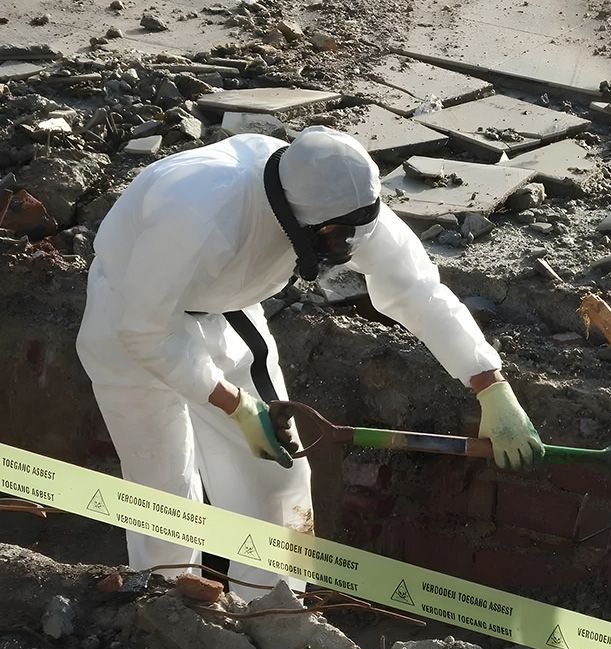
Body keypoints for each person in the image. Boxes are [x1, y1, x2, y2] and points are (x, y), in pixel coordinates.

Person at [76, 126, 544, 601]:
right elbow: (145, 330)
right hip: (130, 313)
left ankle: (274, 611)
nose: (341, 247)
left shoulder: (345, 201)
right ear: (294, 216)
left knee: (277, 475)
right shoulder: (198, 211)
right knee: (163, 479)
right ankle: (167, 610)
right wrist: (234, 404)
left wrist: (488, 383)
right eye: (332, 239)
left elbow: (415, 288)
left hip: (228, 306)